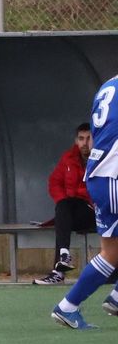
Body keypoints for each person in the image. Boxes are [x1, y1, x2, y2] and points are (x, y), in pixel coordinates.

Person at [51, 77, 118, 330]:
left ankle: (68, 307)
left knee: (112, 252)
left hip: (101, 175)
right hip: (114, 175)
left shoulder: (109, 85)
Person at [35, 123, 95, 287]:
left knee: (64, 209)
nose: (84, 143)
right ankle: (62, 259)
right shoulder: (68, 158)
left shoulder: (103, 158)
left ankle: (59, 270)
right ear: (76, 140)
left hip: (97, 212)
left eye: (88, 138)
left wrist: (74, 198)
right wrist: (64, 200)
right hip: (72, 210)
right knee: (63, 209)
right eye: (81, 139)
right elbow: (54, 182)